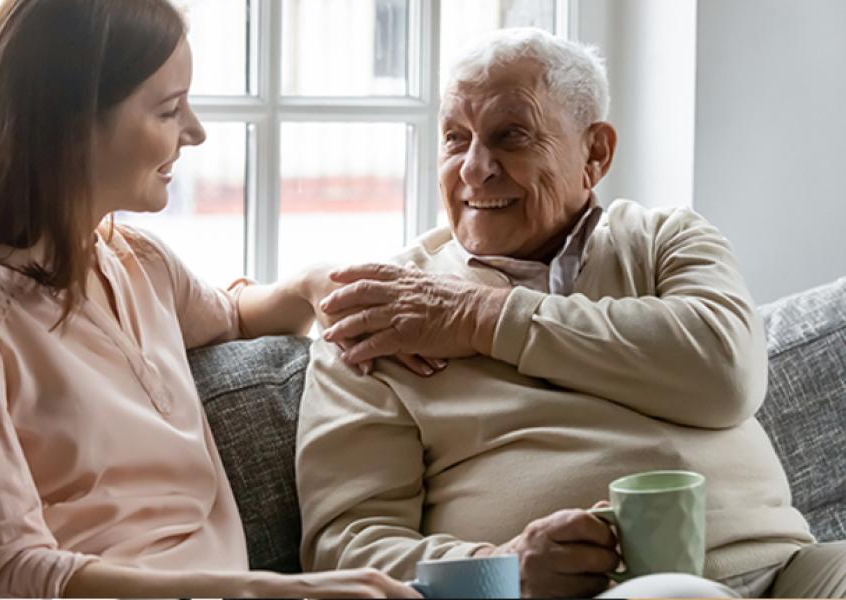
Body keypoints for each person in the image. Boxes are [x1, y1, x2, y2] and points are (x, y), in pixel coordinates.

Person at [0, 0, 421, 597]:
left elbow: (234, 315)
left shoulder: (140, 265)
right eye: (168, 109)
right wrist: (265, 590)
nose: (196, 131)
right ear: (71, 121)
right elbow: (6, 574)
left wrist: (318, 283)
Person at [296, 27, 846, 598]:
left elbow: (726, 373)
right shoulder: (381, 313)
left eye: (511, 136)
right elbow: (346, 548)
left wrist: (483, 319)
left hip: (791, 575)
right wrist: (499, 568)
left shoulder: (666, 239)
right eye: (456, 138)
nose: (474, 168)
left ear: (596, 153)